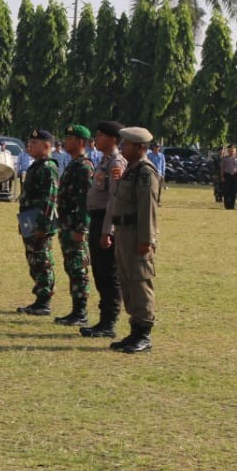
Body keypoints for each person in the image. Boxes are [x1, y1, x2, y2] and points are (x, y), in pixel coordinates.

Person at [103, 126, 161, 353]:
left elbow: (148, 209)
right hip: (124, 232)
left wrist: (145, 239)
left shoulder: (145, 172)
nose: (123, 147)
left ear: (140, 147)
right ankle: (134, 330)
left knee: (139, 280)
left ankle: (144, 333)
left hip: (137, 234)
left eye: (127, 143)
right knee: (127, 280)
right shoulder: (132, 170)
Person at [81, 120, 126, 338]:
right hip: (97, 219)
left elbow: (113, 200)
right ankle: (103, 320)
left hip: (106, 222)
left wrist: (107, 231)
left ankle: (109, 323)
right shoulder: (104, 161)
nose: (96, 139)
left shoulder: (116, 162)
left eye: (100, 135)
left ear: (113, 139)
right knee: (99, 271)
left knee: (108, 274)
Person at [54, 125, 95, 326]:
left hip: (75, 228)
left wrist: (81, 229)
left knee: (79, 269)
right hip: (67, 226)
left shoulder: (84, 166)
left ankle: (81, 312)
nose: (65, 141)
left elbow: (86, 201)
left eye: (69, 138)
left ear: (80, 142)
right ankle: (75, 310)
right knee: (71, 267)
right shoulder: (74, 164)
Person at [16, 129, 59, 315]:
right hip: (29, 219)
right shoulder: (37, 165)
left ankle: (44, 301)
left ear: (47, 146)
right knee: (34, 259)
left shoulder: (48, 167)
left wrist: (43, 226)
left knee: (42, 260)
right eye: (29, 142)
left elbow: (50, 199)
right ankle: (39, 298)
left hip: (39, 222)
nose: (30, 146)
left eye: (35, 143)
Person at [221, 144, 237, 210]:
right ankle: (227, 205)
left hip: (234, 176)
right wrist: (222, 176)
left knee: (233, 191)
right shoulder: (225, 158)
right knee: (227, 191)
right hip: (227, 175)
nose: (231, 152)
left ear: (235, 151)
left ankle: (232, 205)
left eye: (233, 151)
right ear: (228, 151)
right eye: (230, 151)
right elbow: (222, 168)